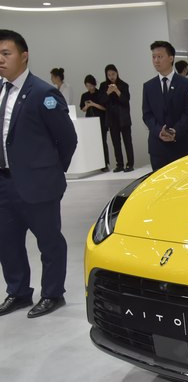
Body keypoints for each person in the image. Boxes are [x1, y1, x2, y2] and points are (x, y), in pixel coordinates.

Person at [0, 29, 77, 318]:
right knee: (7, 242)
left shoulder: (43, 93)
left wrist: (52, 172)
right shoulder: (1, 90)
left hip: (38, 184)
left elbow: (67, 139)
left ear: (24, 56)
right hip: (4, 183)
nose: (0, 59)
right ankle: (18, 292)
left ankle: (52, 293)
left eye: (6, 53)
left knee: (49, 240)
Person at [142, 40, 188, 172]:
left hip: (182, 145)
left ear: (171, 58)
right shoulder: (148, 86)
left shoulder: (186, 84)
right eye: (153, 57)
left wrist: (175, 131)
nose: (156, 61)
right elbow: (147, 115)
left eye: (160, 57)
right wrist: (159, 131)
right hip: (158, 149)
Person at [100, 64, 134, 172]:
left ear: (117, 73)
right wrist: (108, 92)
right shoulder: (103, 86)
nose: (111, 77)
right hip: (112, 118)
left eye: (113, 74)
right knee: (116, 143)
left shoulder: (124, 85)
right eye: (109, 75)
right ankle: (119, 164)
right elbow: (101, 101)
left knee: (127, 141)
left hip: (123, 118)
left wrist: (117, 91)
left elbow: (126, 100)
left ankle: (130, 164)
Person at [79, 74, 110, 171]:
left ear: (94, 84)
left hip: (101, 121)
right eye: (87, 86)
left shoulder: (100, 93)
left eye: (91, 85)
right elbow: (83, 109)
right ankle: (94, 164)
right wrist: (87, 106)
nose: (89, 87)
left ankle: (105, 164)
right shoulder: (84, 95)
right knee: (92, 143)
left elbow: (105, 108)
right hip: (89, 122)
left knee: (102, 142)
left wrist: (93, 104)